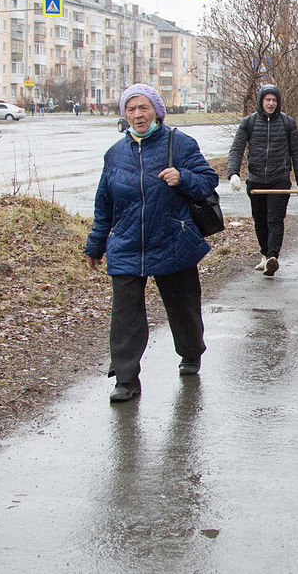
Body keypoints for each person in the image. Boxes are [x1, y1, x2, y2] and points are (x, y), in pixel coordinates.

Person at [85, 83, 219, 402]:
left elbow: (209, 181)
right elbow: (104, 203)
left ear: (156, 111)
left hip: (172, 238)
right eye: (131, 109)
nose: (137, 114)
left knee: (183, 309)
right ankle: (126, 378)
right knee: (125, 315)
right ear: (125, 115)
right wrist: (96, 243)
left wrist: (182, 178)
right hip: (128, 243)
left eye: (143, 107)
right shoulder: (115, 153)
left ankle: (190, 353)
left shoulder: (180, 143)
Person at [227, 84, 298, 277]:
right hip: (255, 181)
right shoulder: (249, 123)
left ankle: (273, 257)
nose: (271, 103)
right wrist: (233, 173)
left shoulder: (287, 123)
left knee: (275, 219)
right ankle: (264, 254)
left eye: (274, 100)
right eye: (267, 100)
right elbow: (236, 149)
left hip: (279, 180)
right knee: (260, 221)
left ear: (278, 102)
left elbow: (296, 153)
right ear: (261, 101)